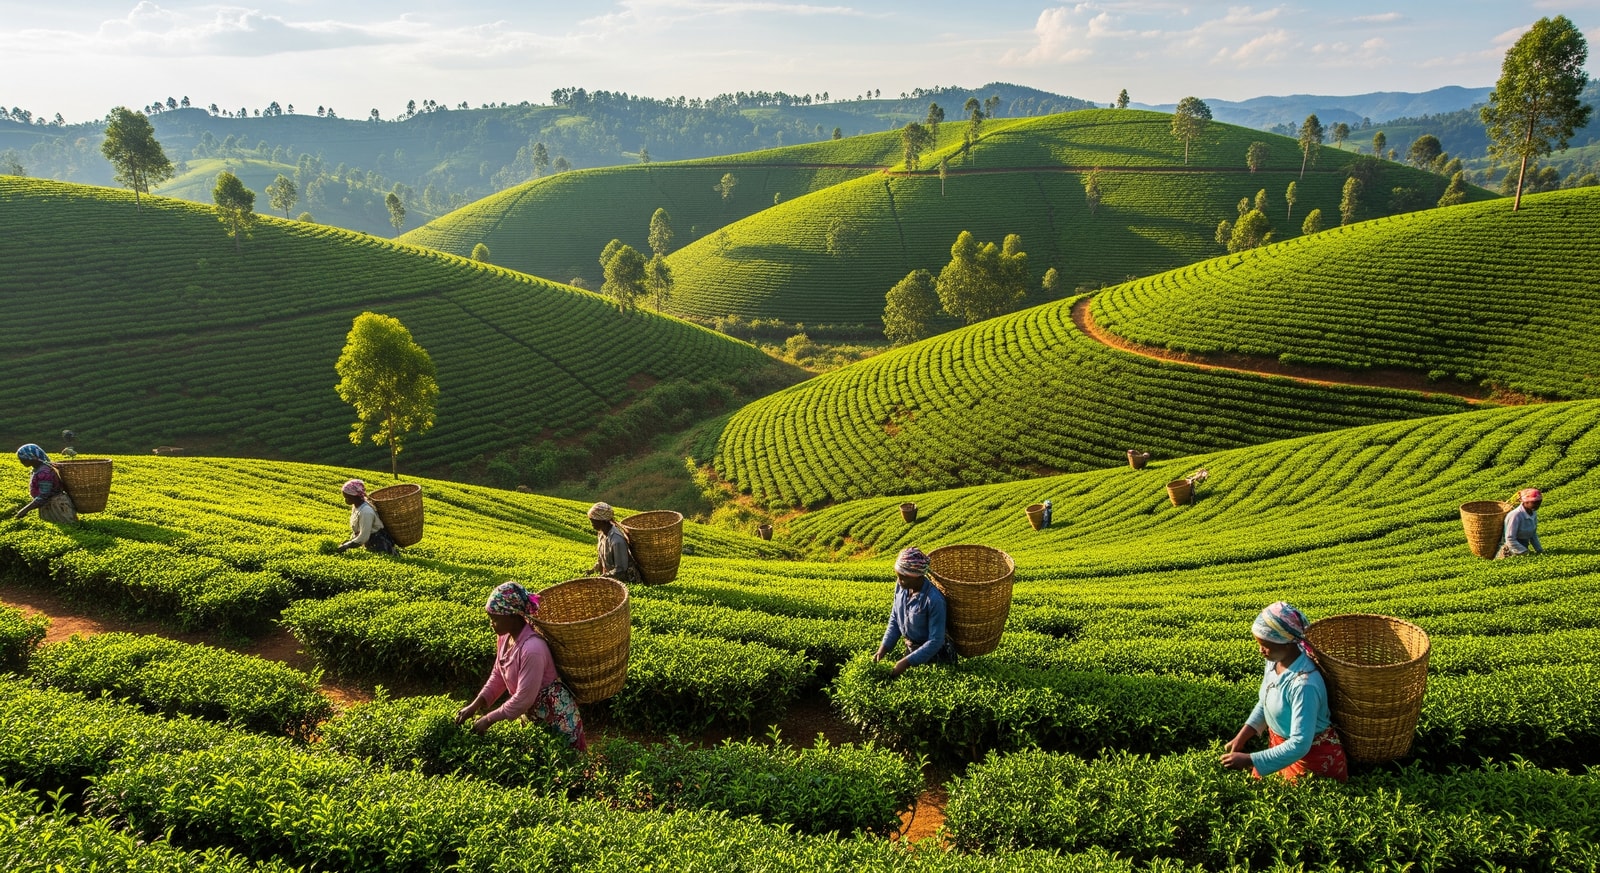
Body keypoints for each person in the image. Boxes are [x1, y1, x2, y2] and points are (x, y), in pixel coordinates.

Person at [1221, 602, 1348, 783]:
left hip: (1310, 759)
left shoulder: (1304, 685)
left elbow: (1300, 743)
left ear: (1287, 643)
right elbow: (1264, 702)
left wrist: (1251, 760)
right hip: (1280, 749)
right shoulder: (1274, 661)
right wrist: (1241, 737)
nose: (1260, 650)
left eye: (1265, 645)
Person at [455, 581, 587, 750]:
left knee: (566, 768)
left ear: (511, 615)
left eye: (495, 619)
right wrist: (474, 705)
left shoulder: (533, 649)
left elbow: (524, 698)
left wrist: (488, 719)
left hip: (557, 719)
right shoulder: (505, 638)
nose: (491, 623)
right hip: (533, 715)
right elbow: (498, 674)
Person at [873, 546, 954, 677]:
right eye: (898, 576)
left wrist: (905, 663)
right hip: (912, 651)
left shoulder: (934, 599)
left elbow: (936, 641)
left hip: (936, 657)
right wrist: (883, 649)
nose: (899, 581)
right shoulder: (901, 587)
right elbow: (895, 619)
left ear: (917, 576)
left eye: (903, 577)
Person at [12, 444, 76, 523]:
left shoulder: (44, 472)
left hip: (56, 507)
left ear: (32, 457)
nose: (21, 461)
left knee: (65, 528)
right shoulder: (38, 469)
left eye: (23, 459)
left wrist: (24, 510)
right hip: (50, 505)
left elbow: (43, 496)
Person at [335, 479, 396, 554]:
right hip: (369, 543)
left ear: (355, 496)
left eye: (347, 497)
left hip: (378, 544)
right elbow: (358, 530)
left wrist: (347, 545)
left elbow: (364, 536)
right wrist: (349, 541)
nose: (345, 500)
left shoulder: (366, 512)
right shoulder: (356, 506)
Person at [586, 502, 638, 582]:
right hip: (611, 578)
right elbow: (601, 559)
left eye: (593, 520)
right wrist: (592, 571)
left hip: (626, 581)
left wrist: (603, 577)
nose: (591, 523)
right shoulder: (601, 534)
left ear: (601, 521)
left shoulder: (617, 541)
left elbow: (620, 570)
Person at [1497, 488, 1543, 559]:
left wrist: (1539, 550)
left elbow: (1533, 534)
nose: (1537, 505)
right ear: (1525, 501)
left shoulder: (1533, 513)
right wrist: (1524, 552)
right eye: (1534, 502)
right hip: (1510, 551)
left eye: (1539, 502)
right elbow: (1510, 539)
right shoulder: (1515, 515)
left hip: (1523, 547)